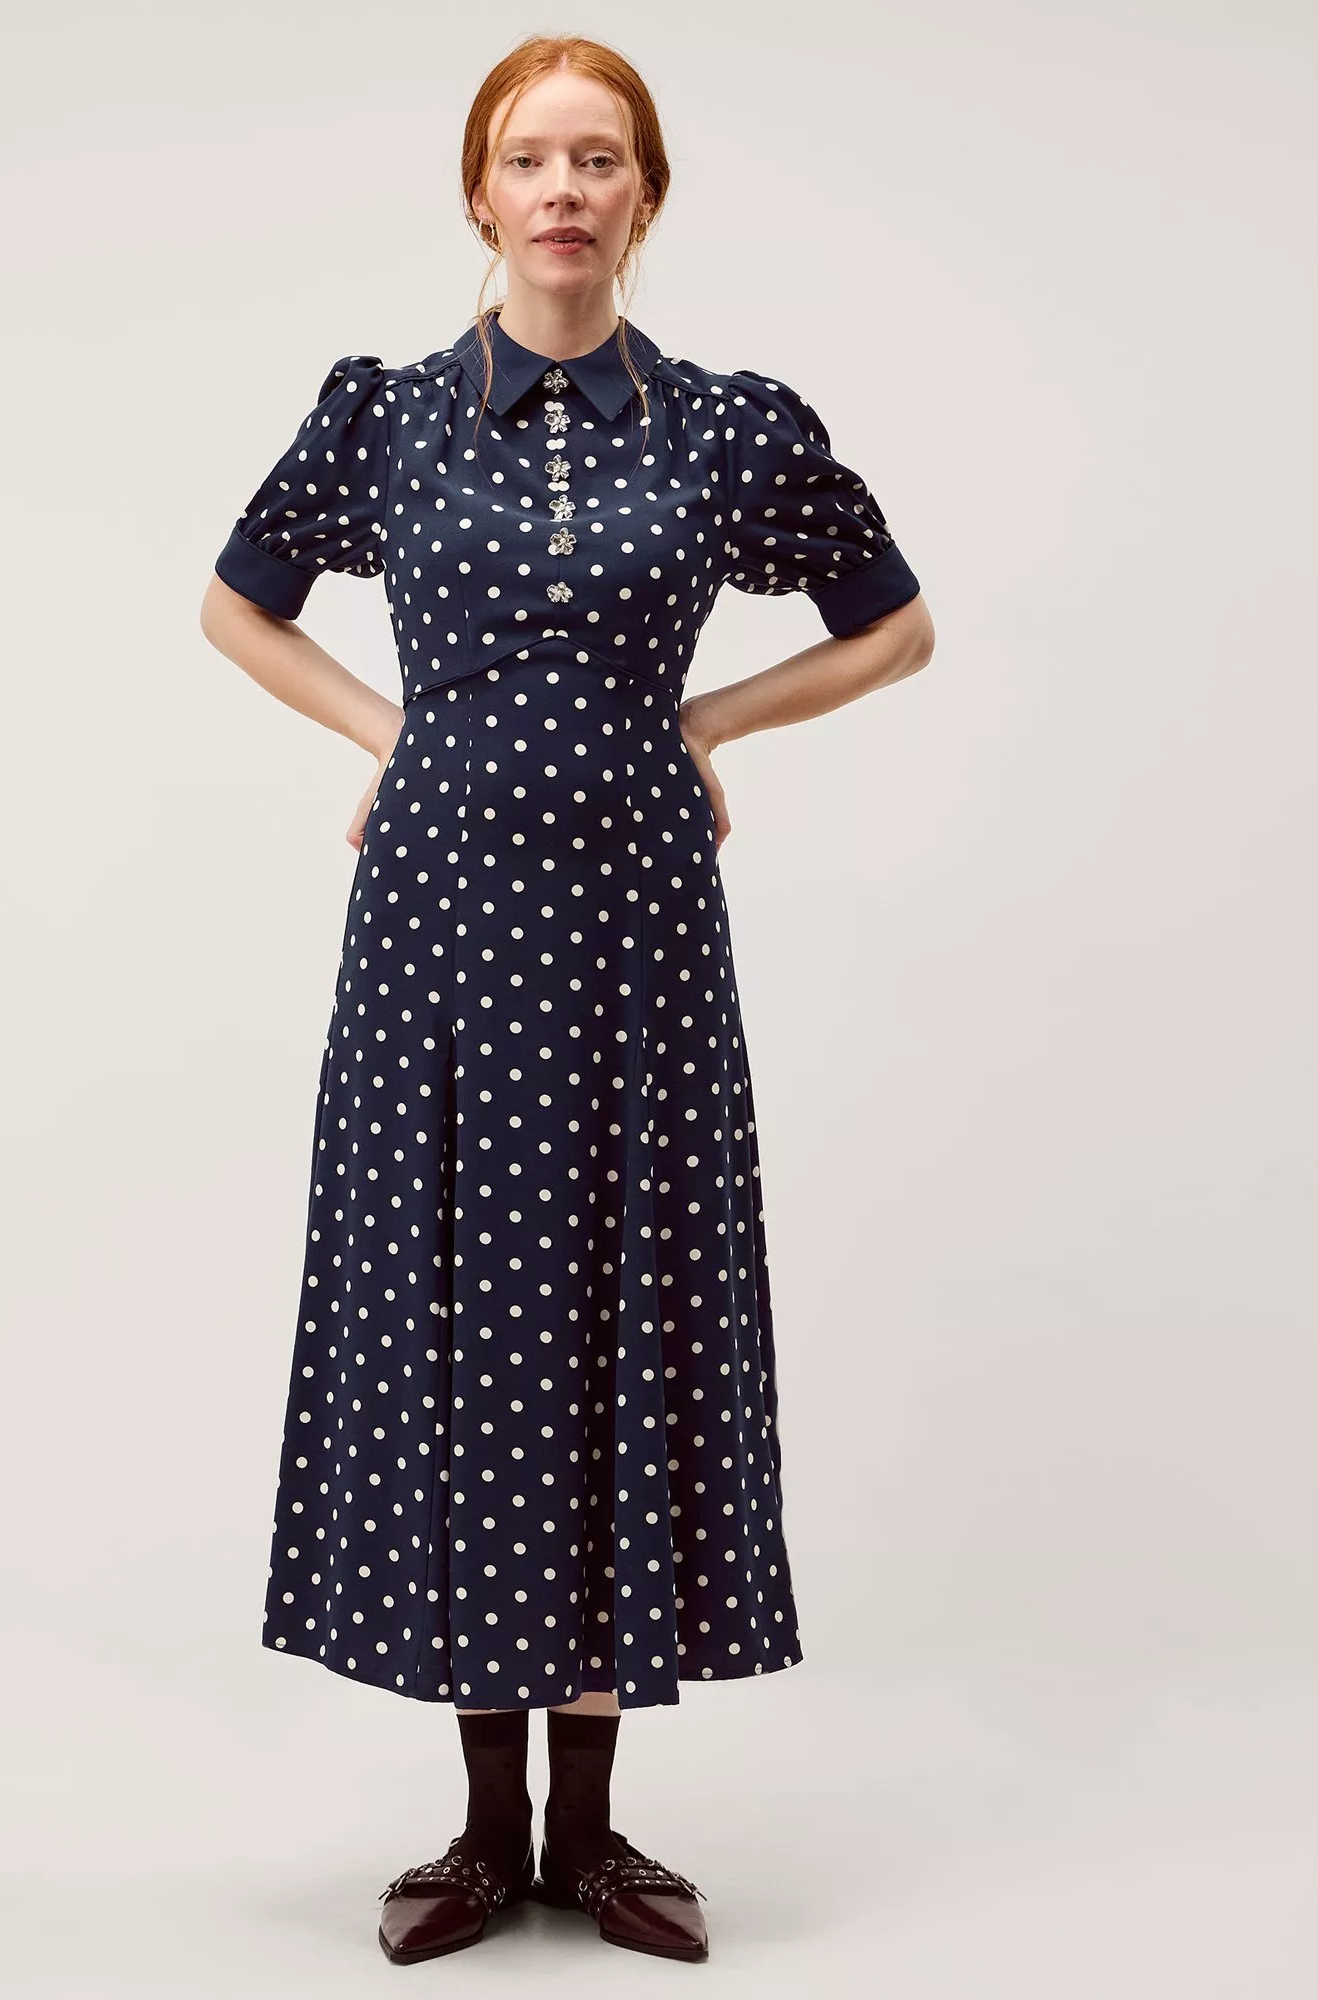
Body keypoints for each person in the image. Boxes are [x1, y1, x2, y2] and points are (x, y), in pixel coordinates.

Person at [199, 32, 933, 1969]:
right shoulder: (387, 416)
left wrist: (709, 718)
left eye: (599, 158)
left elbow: (896, 626)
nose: (564, 190)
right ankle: (481, 1830)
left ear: (645, 196)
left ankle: (593, 1837)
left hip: (634, 933)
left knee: (614, 1308)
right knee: (463, 1312)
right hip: (438, 932)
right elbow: (235, 602)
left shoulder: (724, 429)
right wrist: (394, 731)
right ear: (480, 191)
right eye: (531, 157)